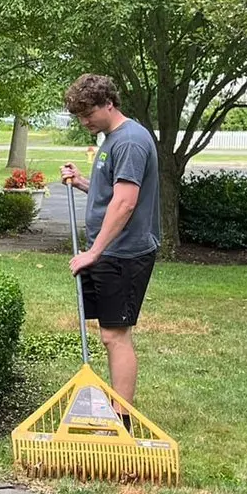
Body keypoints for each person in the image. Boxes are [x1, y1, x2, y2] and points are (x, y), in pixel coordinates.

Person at [59, 73, 161, 414]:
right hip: (112, 251)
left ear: (109, 103)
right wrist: (82, 183)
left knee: (116, 336)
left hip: (123, 254)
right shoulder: (113, 138)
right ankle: (119, 409)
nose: (84, 121)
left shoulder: (129, 141)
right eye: (79, 116)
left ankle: (122, 417)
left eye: (89, 114)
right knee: (109, 334)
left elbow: (125, 203)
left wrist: (94, 252)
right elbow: (111, 195)